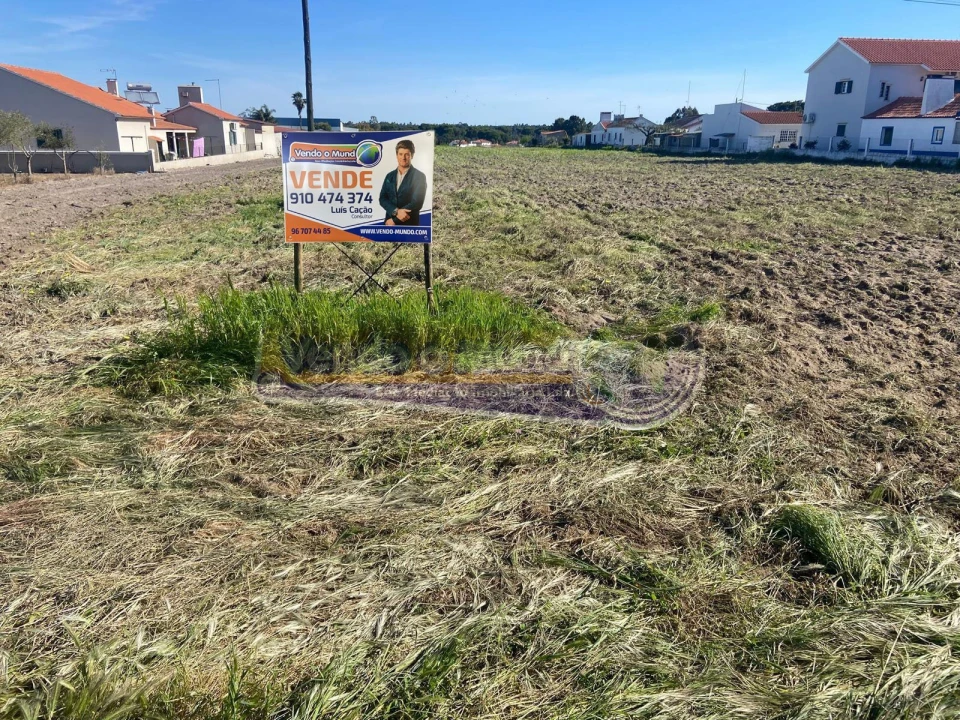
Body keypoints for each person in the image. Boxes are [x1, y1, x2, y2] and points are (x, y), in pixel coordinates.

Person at [379, 139, 427, 226]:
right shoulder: (389, 176)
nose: (403, 158)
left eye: (407, 154)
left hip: (409, 226)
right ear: (396, 155)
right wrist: (395, 211)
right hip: (388, 224)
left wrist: (395, 220)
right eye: (400, 154)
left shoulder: (419, 176)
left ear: (412, 155)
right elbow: (382, 198)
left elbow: (417, 202)